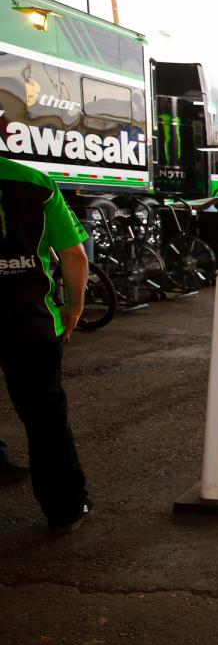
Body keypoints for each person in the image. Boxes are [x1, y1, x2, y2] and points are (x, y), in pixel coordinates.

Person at [0, 156, 93, 532]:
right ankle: (65, 508)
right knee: (45, 421)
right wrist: (73, 307)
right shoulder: (34, 182)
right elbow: (74, 256)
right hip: (31, 322)